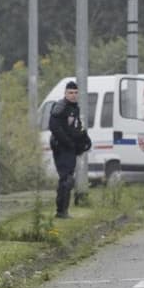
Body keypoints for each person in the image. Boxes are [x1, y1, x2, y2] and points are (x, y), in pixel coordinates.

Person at [48, 81, 88, 218]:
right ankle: (61, 211)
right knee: (66, 179)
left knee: (68, 179)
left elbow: (77, 127)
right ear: (65, 93)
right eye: (70, 93)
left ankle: (63, 210)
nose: (73, 95)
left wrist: (84, 140)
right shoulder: (60, 107)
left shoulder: (75, 108)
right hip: (61, 147)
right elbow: (54, 127)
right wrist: (69, 143)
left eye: (76, 93)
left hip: (70, 147)